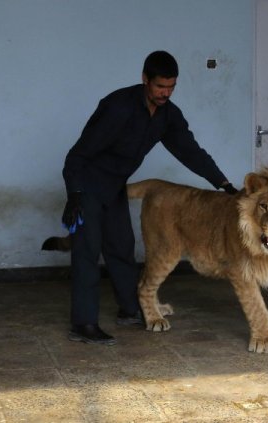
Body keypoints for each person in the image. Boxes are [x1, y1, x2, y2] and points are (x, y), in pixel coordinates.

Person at [61, 51, 237, 345]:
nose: (165, 93)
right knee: (87, 254)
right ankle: (83, 323)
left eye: (171, 87)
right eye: (159, 87)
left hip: (115, 187)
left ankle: (131, 310)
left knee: (122, 248)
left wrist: (223, 183)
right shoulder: (117, 107)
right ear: (145, 80)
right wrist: (75, 193)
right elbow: (78, 154)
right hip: (88, 186)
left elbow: (190, 151)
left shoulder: (168, 115)